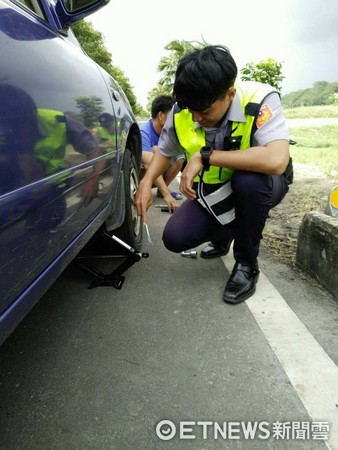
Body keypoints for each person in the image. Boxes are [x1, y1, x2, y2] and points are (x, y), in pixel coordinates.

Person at [136, 45, 292, 304]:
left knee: (248, 182)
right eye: (191, 110)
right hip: (214, 190)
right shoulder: (184, 110)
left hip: (262, 183)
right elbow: (163, 152)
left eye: (205, 111)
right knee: (176, 237)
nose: (197, 118)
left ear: (229, 94)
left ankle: (246, 264)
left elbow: (276, 160)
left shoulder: (259, 99)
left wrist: (206, 156)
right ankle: (224, 235)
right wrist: (145, 182)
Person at [140, 95, 185, 211]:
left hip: (155, 174)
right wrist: (167, 196)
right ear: (161, 116)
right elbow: (149, 163)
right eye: (173, 115)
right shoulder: (144, 132)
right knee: (154, 154)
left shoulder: (171, 133)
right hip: (143, 175)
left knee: (180, 157)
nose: (176, 119)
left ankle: (162, 190)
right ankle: (159, 191)